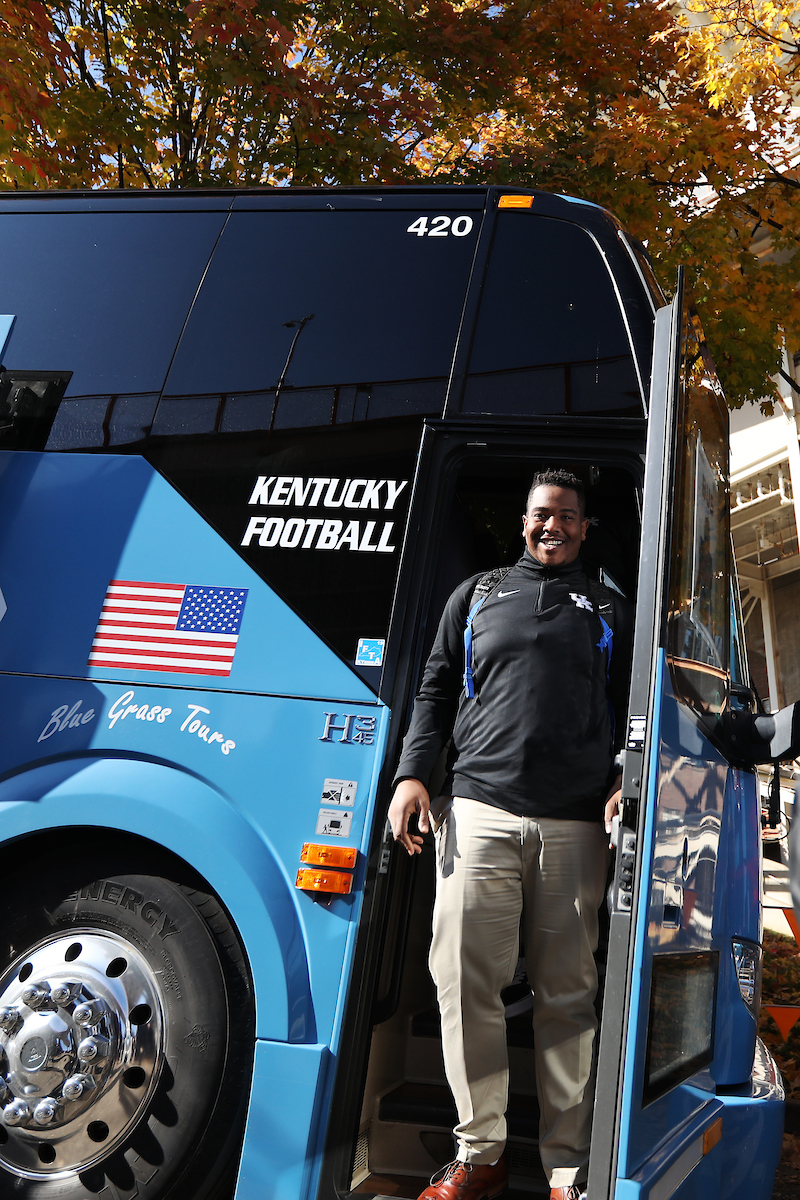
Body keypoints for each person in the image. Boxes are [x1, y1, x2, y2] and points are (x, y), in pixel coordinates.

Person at [388, 468, 632, 1200]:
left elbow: (630, 715)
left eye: (565, 515)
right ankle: (481, 1156)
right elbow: (434, 690)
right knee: (465, 986)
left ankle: (566, 1170)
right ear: (523, 522)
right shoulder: (477, 595)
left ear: (585, 527)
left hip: (574, 823)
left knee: (568, 996)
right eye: (538, 514)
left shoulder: (610, 605)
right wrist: (413, 776)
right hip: (480, 811)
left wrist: (625, 783)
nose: (550, 525)